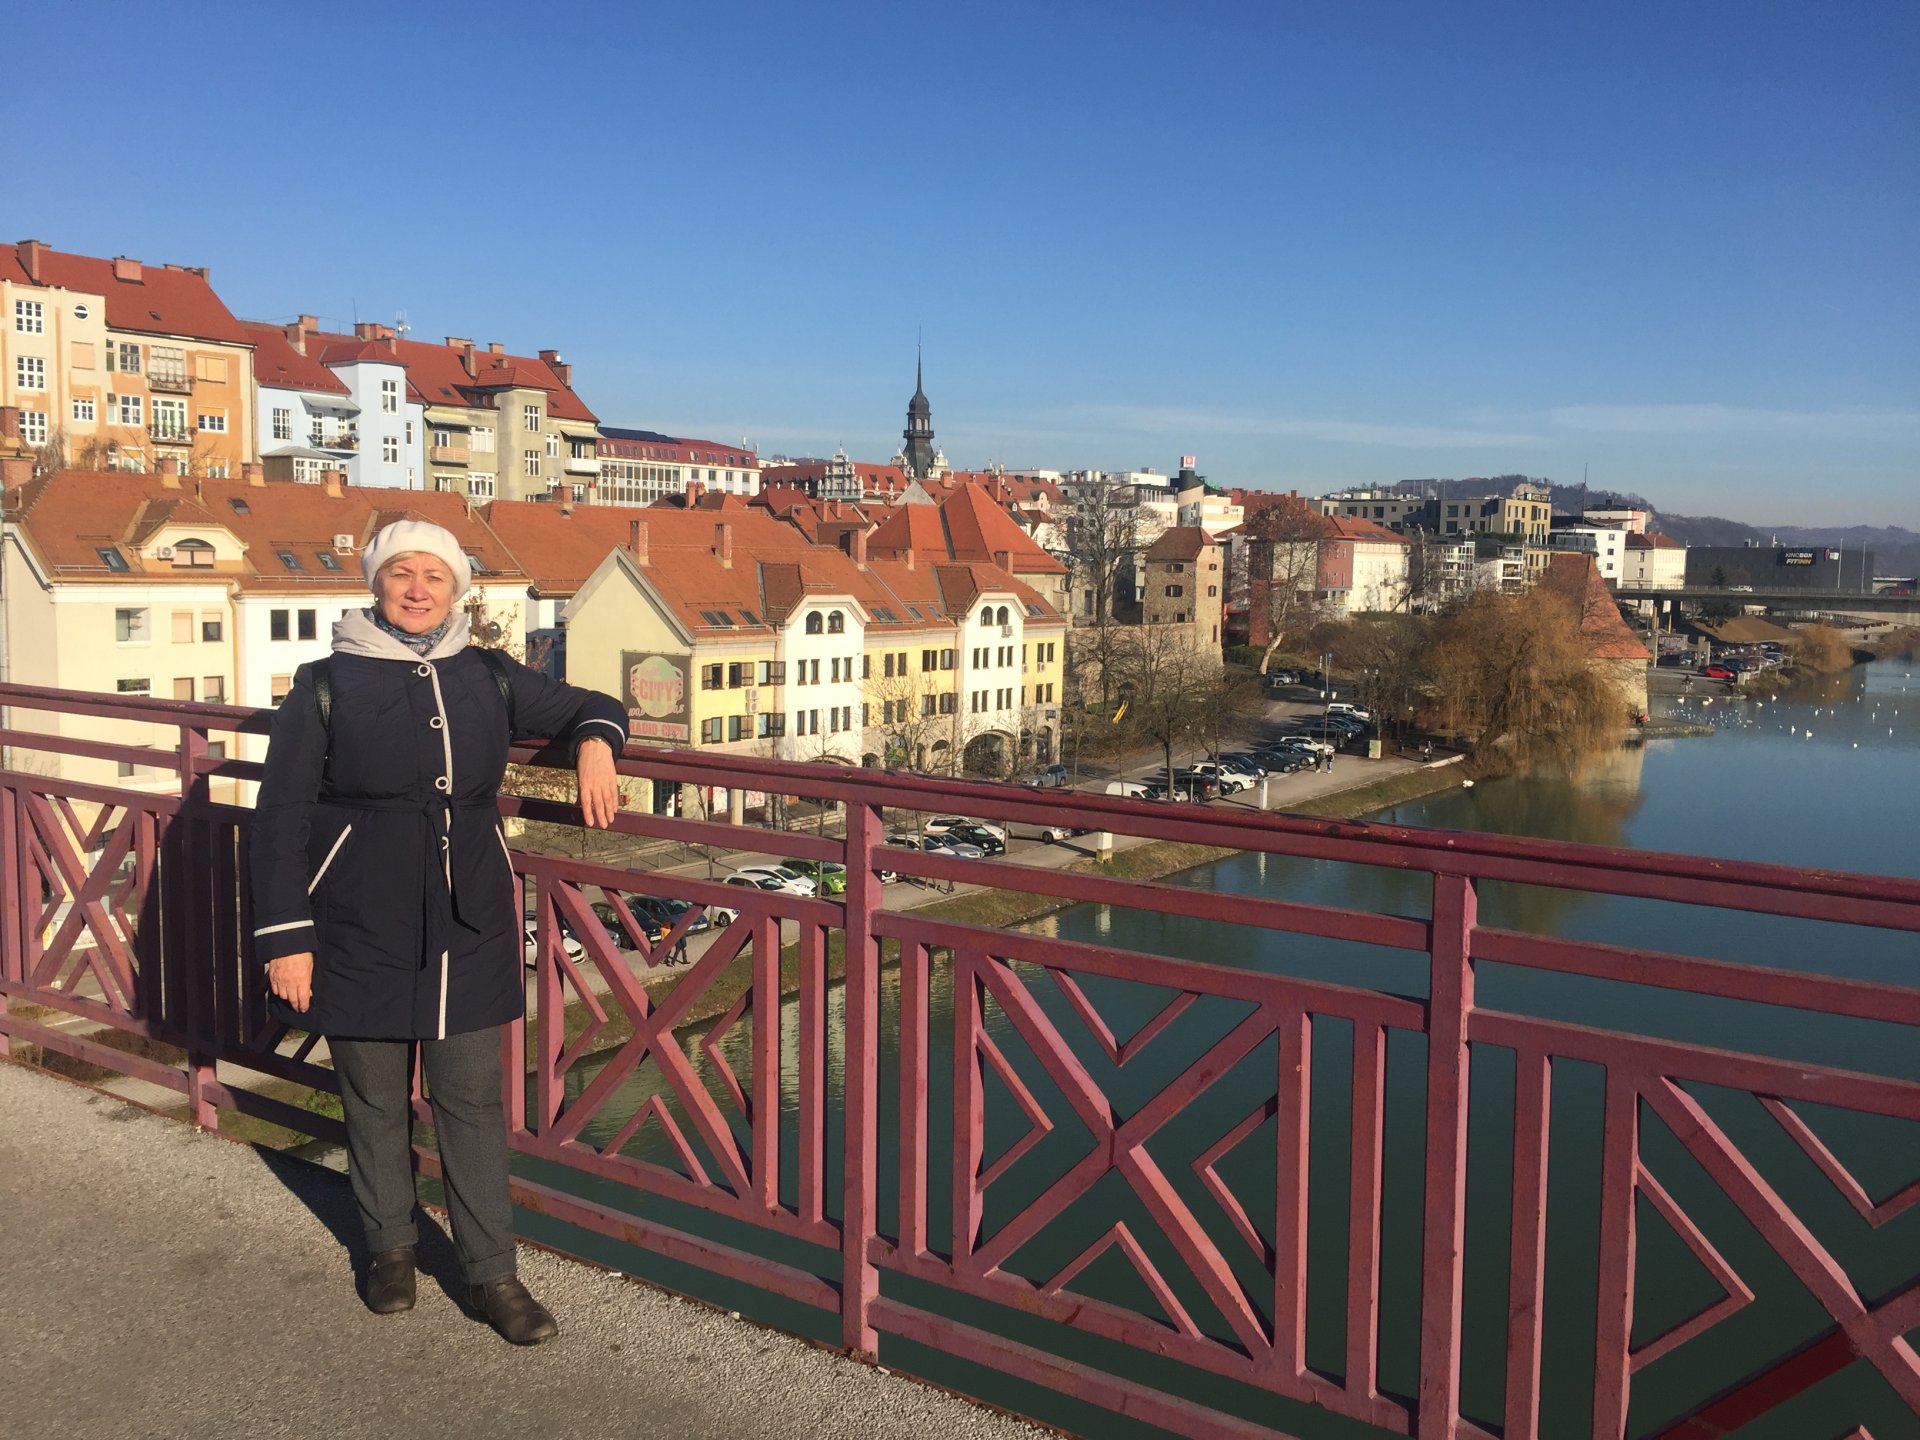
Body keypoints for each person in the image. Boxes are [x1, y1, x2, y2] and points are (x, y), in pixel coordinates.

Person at [251, 520, 628, 1345]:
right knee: (374, 1097)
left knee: (471, 1100)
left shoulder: (487, 673)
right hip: (355, 917)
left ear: (457, 590)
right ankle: (390, 1248)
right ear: (376, 582)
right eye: (402, 573)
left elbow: (594, 704)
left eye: (435, 576)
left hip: (470, 918)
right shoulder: (325, 683)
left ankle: (492, 1275)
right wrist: (286, 939)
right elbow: (278, 816)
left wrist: (596, 745)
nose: (418, 589)